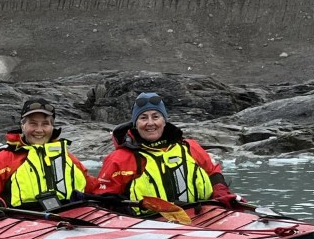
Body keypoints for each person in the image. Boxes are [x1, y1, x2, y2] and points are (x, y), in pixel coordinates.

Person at [95, 91, 244, 213]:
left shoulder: (189, 147)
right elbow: (104, 199)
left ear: (164, 121)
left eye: (156, 116)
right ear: (135, 123)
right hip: (148, 225)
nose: (150, 123)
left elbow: (213, 174)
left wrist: (222, 195)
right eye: (143, 118)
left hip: (203, 215)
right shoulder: (119, 159)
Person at [0, 97, 97, 209]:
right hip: (20, 221)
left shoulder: (67, 158)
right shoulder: (1, 160)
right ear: (23, 126)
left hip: (68, 219)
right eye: (33, 124)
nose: (39, 130)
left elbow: (92, 186)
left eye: (45, 124)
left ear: (52, 127)